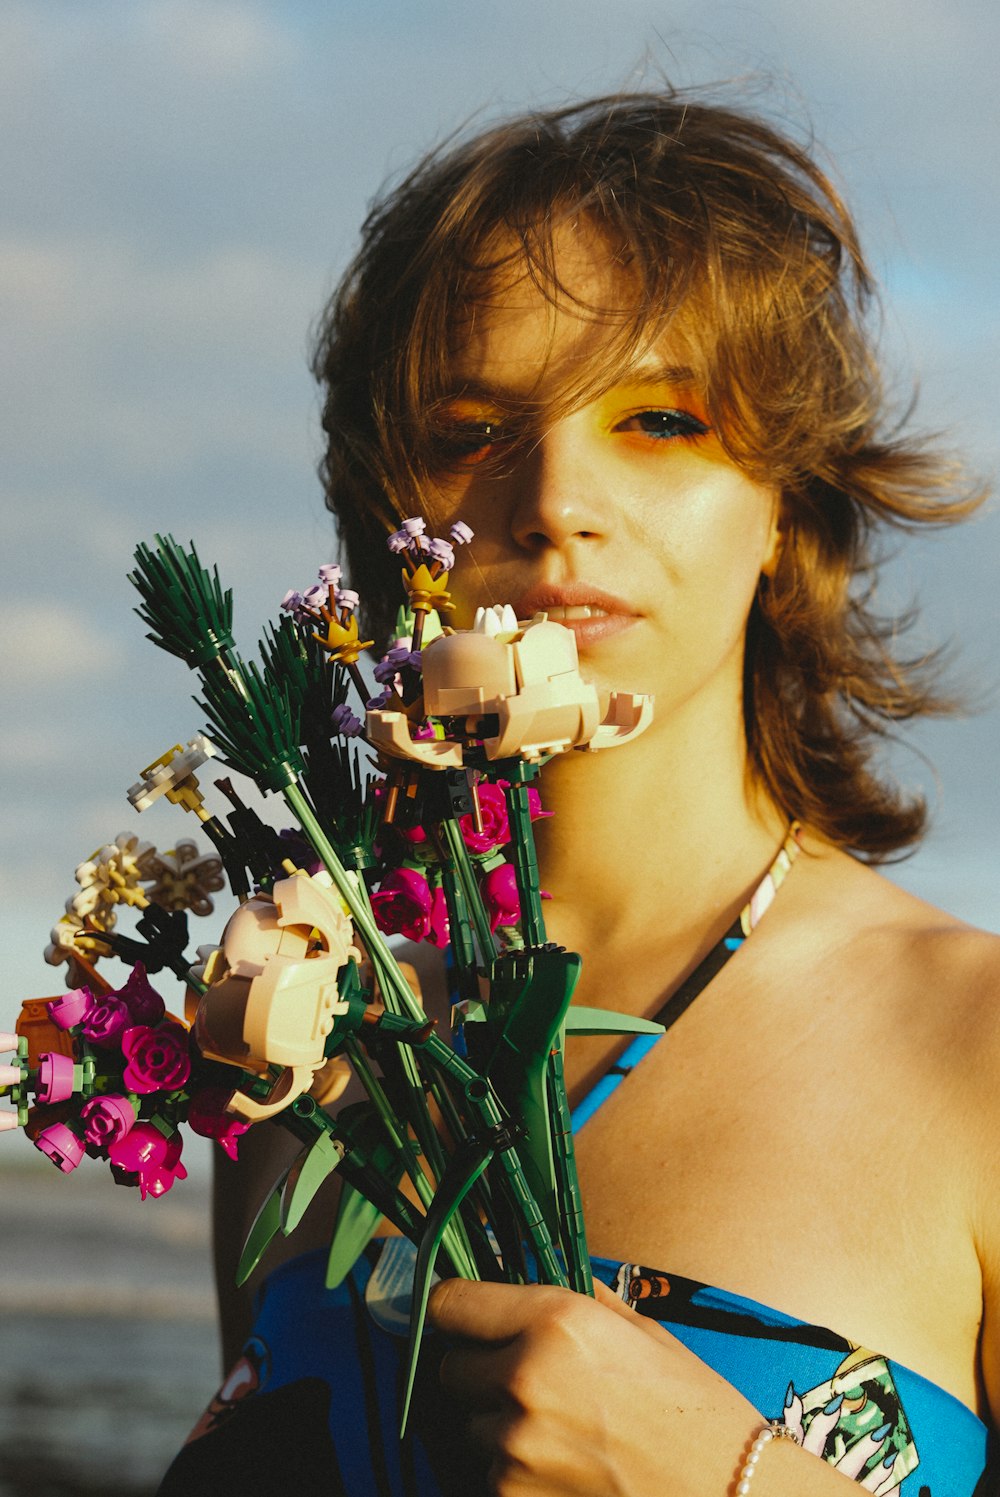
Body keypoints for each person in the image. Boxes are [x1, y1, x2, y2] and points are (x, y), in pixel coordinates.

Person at [160, 91, 998, 1496]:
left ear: (784, 495)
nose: (553, 495)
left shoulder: (972, 1048)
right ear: (385, 509)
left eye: (661, 419)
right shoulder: (312, 1045)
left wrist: (729, 1472)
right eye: (474, 427)